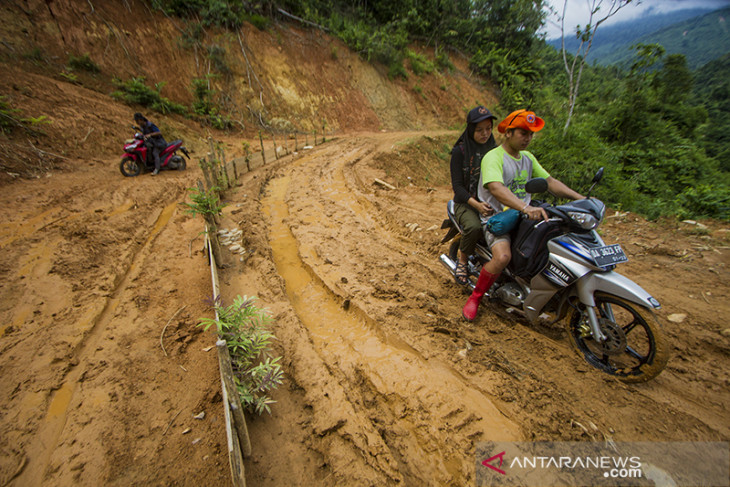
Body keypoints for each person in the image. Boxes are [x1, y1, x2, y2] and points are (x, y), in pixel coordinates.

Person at [462, 109, 585, 321]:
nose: (528, 138)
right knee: (502, 257)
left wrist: (580, 198)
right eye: (523, 133)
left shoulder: (527, 158)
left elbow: (550, 182)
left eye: (530, 134)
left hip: (525, 218)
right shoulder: (494, 157)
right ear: (508, 133)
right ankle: (476, 297)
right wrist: (524, 207)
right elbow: (496, 188)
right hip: (498, 219)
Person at [449, 106, 498, 286]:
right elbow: (458, 188)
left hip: (491, 201)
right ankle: (462, 262)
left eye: (488, 128)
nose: (485, 133)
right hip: (466, 203)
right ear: (470, 130)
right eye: (479, 130)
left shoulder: (495, 151)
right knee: (474, 227)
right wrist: (476, 205)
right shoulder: (460, 152)